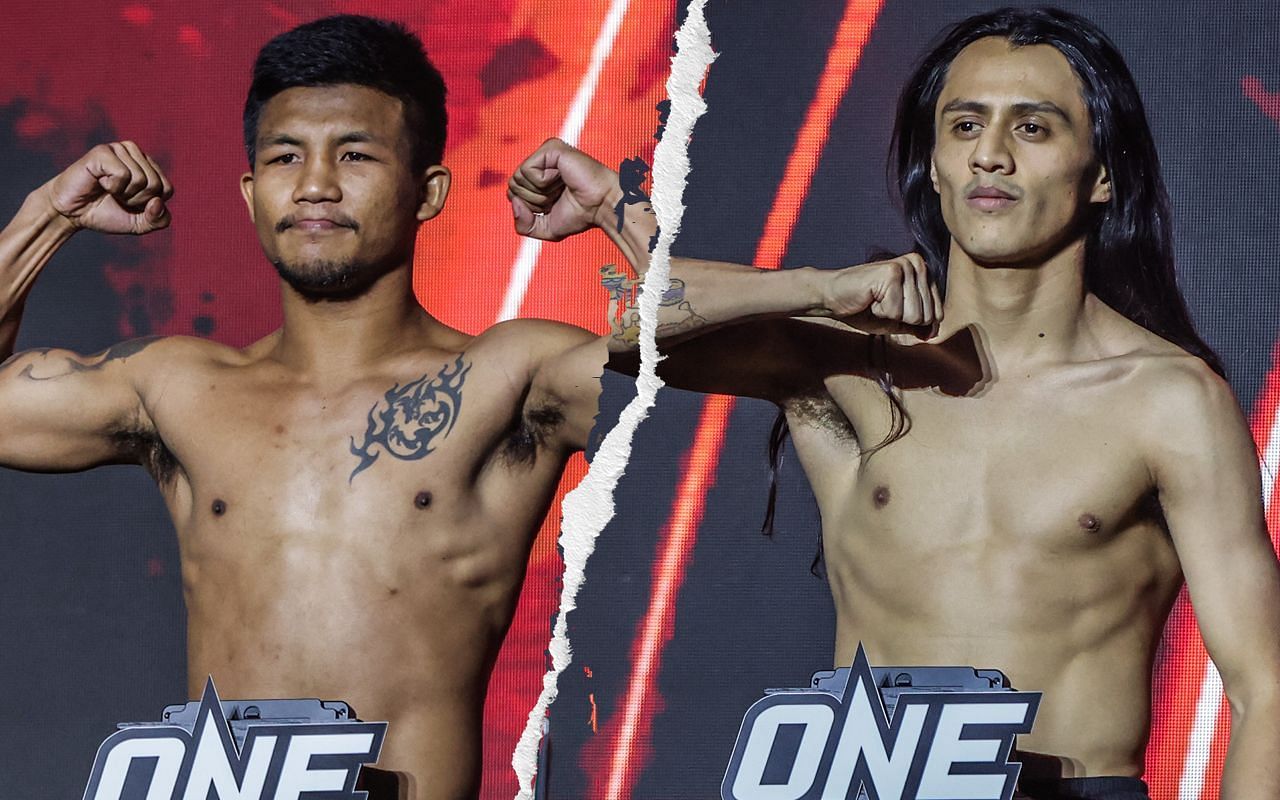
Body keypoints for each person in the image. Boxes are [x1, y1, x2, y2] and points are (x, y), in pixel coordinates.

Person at [507, 7, 1280, 799]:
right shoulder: (854, 364)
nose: (991, 155)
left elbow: (1266, 689)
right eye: (965, 125)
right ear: (936, 165)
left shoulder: (1169, 400)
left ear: (1102, 173)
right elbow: (634, 328)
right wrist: (811, 285)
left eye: (1034, 129)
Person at [0, 14, 618, 800]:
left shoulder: (509, 377)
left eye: (354, 154)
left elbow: (739, 367)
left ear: (428, 192)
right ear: (252, 194)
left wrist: (619, 211)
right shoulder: (178, 388)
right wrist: (49, 214)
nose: (316, 183)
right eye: (286, 156)